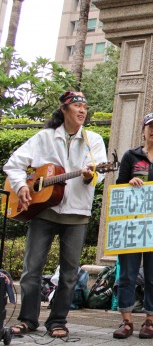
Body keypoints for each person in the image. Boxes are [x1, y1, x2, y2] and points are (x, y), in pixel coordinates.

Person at [3, 91, 107, 338]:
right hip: (43, 211)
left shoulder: (93, 140)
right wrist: (21, 186)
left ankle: (58, 321)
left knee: (70, 273)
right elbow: (14, 164)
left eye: (84, 106)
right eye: (77, 106)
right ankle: (28, 319)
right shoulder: (45, 137)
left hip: (77, 215)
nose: (82, 110)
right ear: (64, 110)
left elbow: (99, 172)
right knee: (31, 269)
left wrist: (91, 175)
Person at [112, 112, 153, 339]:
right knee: (128, 273)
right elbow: (119, 186)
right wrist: (129, 182)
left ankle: (150, 321)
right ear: (143, 130)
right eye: (151, 127)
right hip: (132, 224)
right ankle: (126, 321)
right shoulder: (131, 156)